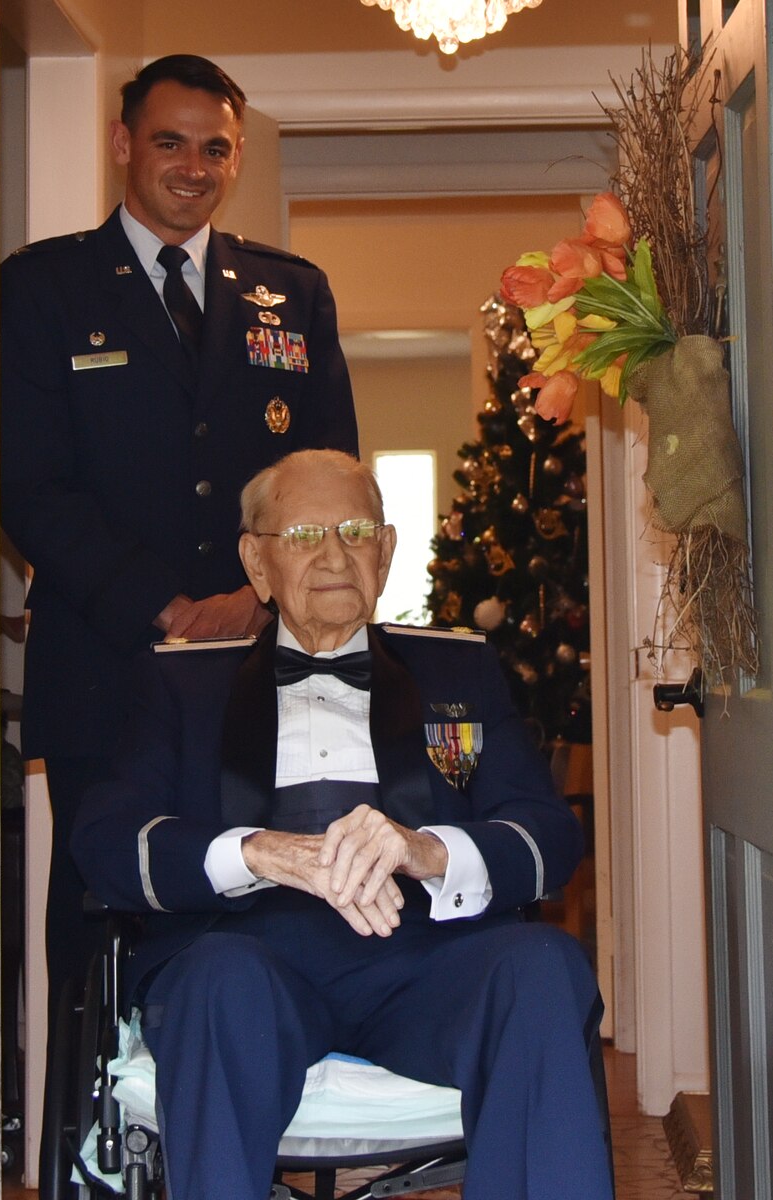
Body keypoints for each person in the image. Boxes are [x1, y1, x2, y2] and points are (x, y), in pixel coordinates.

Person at [72, 449, 614, 1200]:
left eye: (355, 531)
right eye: (300, 536)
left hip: (431, 962)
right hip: (248, 956)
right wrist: (256, 853)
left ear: (385, 551)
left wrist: (426, 850)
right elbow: (106, 837)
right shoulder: (180, 683)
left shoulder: (456, 672)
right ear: (256, 564)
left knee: (543, 967)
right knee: (218, 984)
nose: (332, 555)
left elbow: (547, 833)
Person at [0, 53, 358, 1091]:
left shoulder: (291, 291)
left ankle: (243, 1118)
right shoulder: (42, 288)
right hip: (105, 667)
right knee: (99, 908)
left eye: (216, 147)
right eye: (170, 141)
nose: (192, 167)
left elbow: (327, 478)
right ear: (124, 145)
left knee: (255, 900)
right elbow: (29, 487)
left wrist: (259, 596)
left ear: (237, 155)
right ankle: (89, 1147)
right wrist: (164, 605)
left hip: (257, 670)